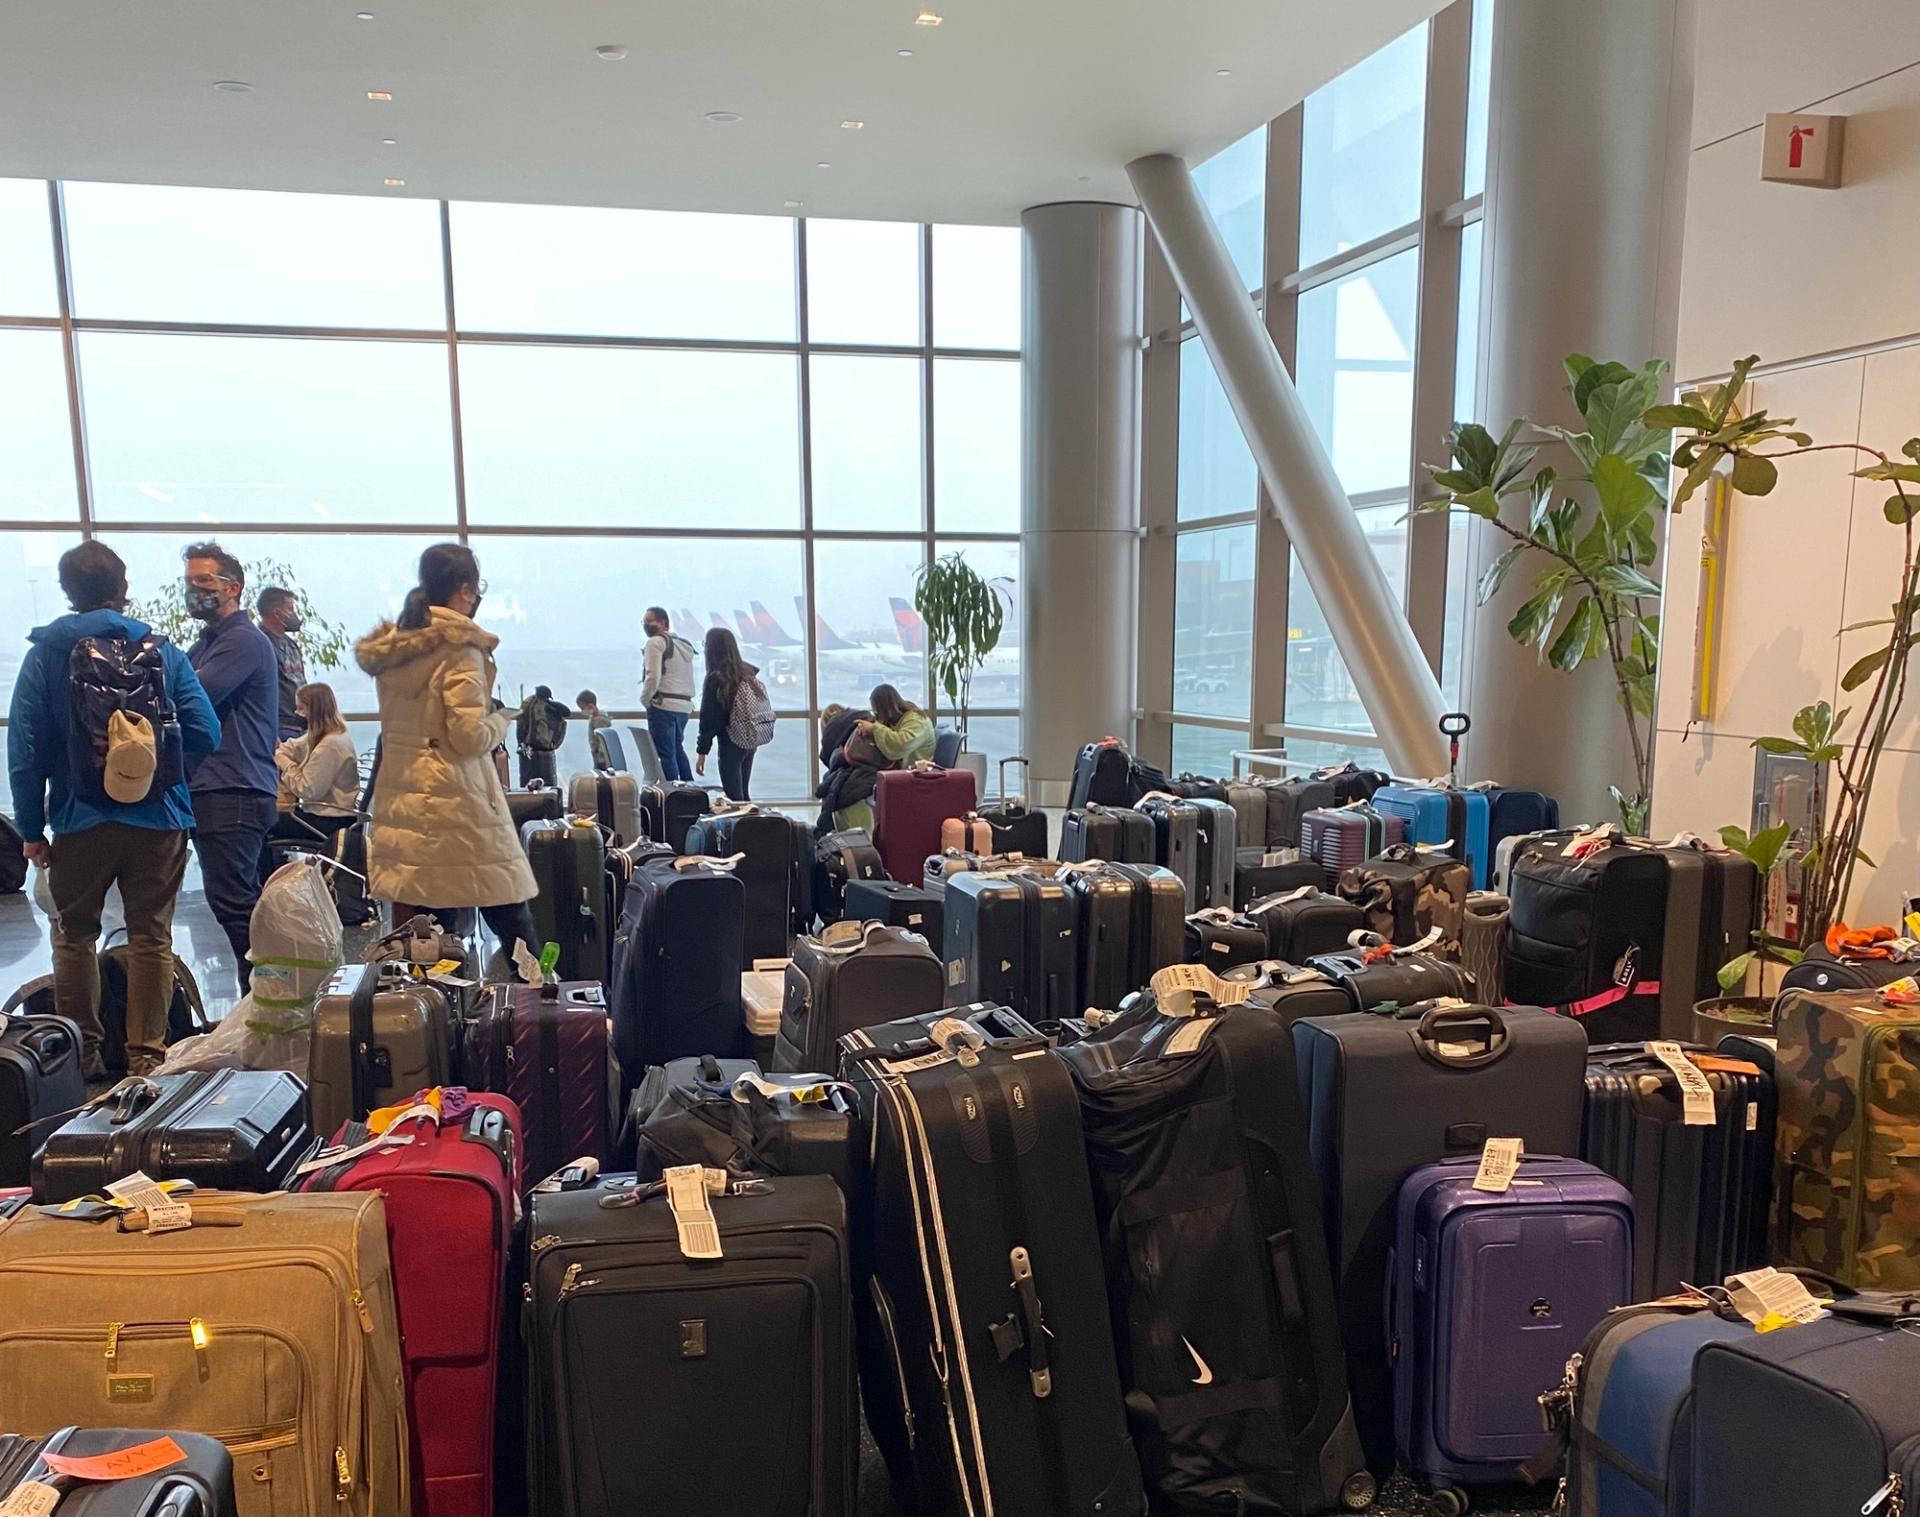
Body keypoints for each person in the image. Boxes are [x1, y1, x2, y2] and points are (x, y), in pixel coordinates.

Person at [7, 542, 220, 1077]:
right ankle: (147, 1059)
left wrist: (32, 829)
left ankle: (82, 1055)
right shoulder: (163, 652)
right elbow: (206, 732)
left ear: (67, 592)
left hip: (81, 818)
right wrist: (159, 774)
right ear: (122, 588)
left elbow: (26, 752)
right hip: (161, 820)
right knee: (151, 934)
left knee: (75, 933)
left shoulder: (46, 654)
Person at [354, 543, 538, 962]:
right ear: (466, 590)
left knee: (428, 938)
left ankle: (436, 1022)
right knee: (513, 921)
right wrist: (502, 719)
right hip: (456, 804)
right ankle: (546, 1012)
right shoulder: (459, 648)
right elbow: (469, 736)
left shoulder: (398, 649)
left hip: (406, 801)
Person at [184, 541, 282, 998]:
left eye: (204, 582)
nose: (194, 591)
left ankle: (263, 1008)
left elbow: (190, 699)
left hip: (232, 790)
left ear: (233, 587)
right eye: (190, 582)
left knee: (236, 908)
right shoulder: (206, 643)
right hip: (220, 789)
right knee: (241, 907)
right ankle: (264, 1008)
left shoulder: (241, 641)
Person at [830, 684, 934, 833]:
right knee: (843, 782)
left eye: (877, 710)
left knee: (853, 790)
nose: (876, 715)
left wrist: (874, 729)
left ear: (886, 707)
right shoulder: (899, 719)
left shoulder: (916, 721)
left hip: (912, 775)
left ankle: (862, 836)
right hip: (895, 771)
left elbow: (899, 745)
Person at [268, 681, 360, 848]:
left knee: (263, 820)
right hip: (331, 814)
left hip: (330, 822)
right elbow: (297, 746)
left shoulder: (330, 745)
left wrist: (283, 762)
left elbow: (307, 790)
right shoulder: (333, 733)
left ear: (315, 710)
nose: (297, 713)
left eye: (301, 708)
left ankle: (268, 872)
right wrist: (281, 749)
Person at [693, 627, 768, 803]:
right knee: (743, 793)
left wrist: (702, 750)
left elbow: (710, 718)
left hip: (730, 741)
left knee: (734, 796)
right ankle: (752, 826)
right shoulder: (747, 674)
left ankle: (743, 828)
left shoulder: (716, 678)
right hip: (750, 739)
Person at [639, 606, 696, 782]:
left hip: (663, 706)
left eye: (649, 621)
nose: (646, 625)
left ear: (663, 623)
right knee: (678, 750)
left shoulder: (655, 643)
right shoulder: (683, 645)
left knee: (665, 755)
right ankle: (690, 790)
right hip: (683, 707)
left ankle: (672, 796)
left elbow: (653, 676)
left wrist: (646, 700)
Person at [255, 586, 308, 740]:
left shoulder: (291, 645)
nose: (294, 615)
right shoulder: (259, 644)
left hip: (300, 725)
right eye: (290, 609)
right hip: (278, 727)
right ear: (277, 613)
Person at [514, 684, 569, 788]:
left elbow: (520, 728)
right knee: (547, 784)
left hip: (526, 747)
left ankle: (529, 802)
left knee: (527, 782)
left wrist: (521, 746)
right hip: (544, 749)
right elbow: (566, 712)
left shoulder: (526, 703)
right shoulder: (548, 707)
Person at [577, 689, 614, 770]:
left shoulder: (599, 720)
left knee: (601, 772)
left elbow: (602, 740)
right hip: (597, 752)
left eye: (582, 708)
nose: (582, 711)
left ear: (590, 706)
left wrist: (601, 756)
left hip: (601, 755)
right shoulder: (595, 718)